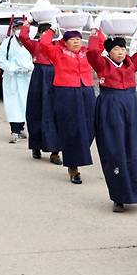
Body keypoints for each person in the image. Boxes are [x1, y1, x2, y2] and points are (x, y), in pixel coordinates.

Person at [86, 22, 137, 212]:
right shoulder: (102, 64)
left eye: (123, 49)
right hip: (109, 106)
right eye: (116, 49)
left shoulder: (131, 64)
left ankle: (136, 193)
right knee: (114, 150)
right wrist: (95, 30)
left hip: (130, 106)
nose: (121, 52)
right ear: (108, 52)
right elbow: (91, 53)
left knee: (135, 149)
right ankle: (118, 196)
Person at [39, 24, 95, 184]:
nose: (76, 42)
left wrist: (95, 30)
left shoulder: (86, 52)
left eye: (78, 39)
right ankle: (73, 166)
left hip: (86, 89)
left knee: (90, 127)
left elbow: (98, 47)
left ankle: (78, 153)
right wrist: (51, 29)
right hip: (66, 91)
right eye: (72, 40)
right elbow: (44, 44)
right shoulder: (58, 52)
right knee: (71, 128)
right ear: (65, 42)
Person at [19, 21, 62, 165]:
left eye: (49, 32)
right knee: (36, 111)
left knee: (55, 113)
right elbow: (24, 37)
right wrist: (27, 23)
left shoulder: (59, 45)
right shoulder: (35, 45)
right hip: (39, 79)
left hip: (56, 79)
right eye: (44, 31)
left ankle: (55, 151)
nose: (46, 35)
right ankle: (36, 145)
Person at [0, 19, 34, 143]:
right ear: (13, 29)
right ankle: (14, 131)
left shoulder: (31, 43)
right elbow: (0, 60)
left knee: (25, 104)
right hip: (12, 78)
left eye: (22, 28)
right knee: (13, 104)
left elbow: (37, 57)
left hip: (27, 78)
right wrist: (13, 68)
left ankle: (21, 127)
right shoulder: (6, 43)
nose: (19, 30)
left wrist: (30, 67)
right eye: (17, 28)